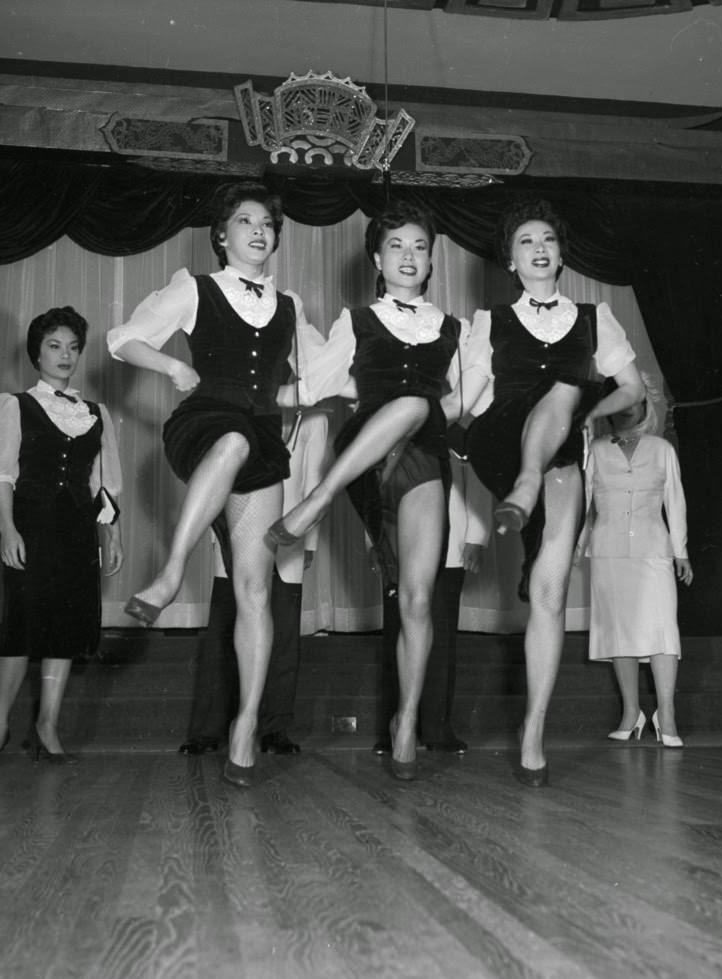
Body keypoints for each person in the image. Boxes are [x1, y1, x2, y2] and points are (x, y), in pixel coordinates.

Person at [107, 181, 318, 786]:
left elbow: (313, 378)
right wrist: (173, 363)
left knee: (257, 588)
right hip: (203, 426)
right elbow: (122, 340)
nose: (258, 230)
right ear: (222, 235)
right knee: (231, 440)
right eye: (244, 221)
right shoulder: (194, 289)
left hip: (261, 442)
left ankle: (246, 726)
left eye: (267, 223)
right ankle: (172, 572)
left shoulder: (290, 306)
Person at [276, 200, 469, 779]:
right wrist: (245, 393)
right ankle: (319, 498)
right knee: (410, 401)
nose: (409, 256)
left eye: (419, 247)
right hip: (367, 455)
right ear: (376, 260)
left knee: (416, 596)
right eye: (396, 247)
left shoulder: (452, 329)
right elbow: (314, 386)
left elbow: (457, 402)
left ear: (430, 260)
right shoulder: (355, 322)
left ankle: (405, 720)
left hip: (426, 456)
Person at [463, 198, 645, 787]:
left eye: (547, 239)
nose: (538, 248)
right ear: (511, 261)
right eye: (525, 242)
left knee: (550, 591)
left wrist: (587, 412)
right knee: (570, 384)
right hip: (500, 440)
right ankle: (523, 481)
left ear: (561, 254)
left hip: (563, 456)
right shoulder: (489, 321)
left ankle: (533, 732)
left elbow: (633, 391)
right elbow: (463, 402)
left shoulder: (596, 317)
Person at [0, 306, 122, 765]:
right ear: (36, 353)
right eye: (55, 346)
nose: (65, 355)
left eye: (73, 348)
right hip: (31, 529)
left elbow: (105, 484)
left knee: (63, 632)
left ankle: (47, 725)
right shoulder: (13, 404)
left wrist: (112, 536)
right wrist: (8, 529)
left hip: (77, 532)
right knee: (21, 628)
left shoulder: (97, 413)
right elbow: (1, 475)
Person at [179, 404, 330, 757]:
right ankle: (207, 730)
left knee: (283, 638)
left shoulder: (315, 418)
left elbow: (315, 486)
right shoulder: (240, 405)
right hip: (239, 534)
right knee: (222, 631)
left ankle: (275, 730)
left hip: (288, 540)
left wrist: (309, 540)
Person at [584, 395, 693, 747]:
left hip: (653, 550)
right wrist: (573, 548)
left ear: (645, 408)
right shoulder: (596, 451)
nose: (627, 408)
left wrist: (681, 552)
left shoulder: (662, 449)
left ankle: (667, 713)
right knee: (620, 632)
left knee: (663, 630)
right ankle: (631, 713)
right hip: (608, 551)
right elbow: (582, 503)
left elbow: (675, 499)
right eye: (620, 401)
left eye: (634, 401)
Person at [372, 439, 492, 755]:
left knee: (439, 641)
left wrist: (476, 537)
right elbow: (373, 490)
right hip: (397, 545)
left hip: (450, 548)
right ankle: (393, 729)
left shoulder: (456, 427)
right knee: (396, 636)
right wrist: (373, 541)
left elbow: (477, 479)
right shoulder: (392, 429)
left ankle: (437, 729)